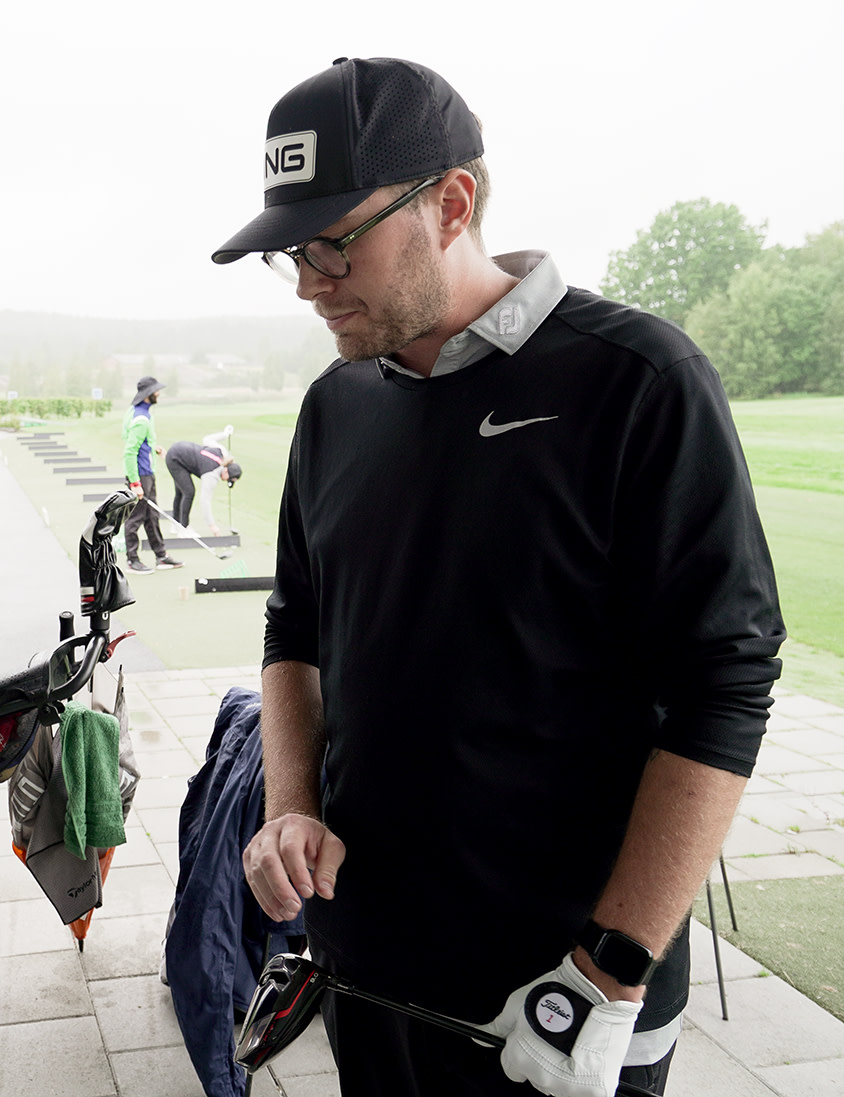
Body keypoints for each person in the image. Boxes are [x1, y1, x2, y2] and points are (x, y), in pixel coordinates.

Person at [218, 58, 785, 1097]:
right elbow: (294, 626)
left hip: (563, 995)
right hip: (369, 969)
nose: (309, 282)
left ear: (452, 203)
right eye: (295, 252)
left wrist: (610, 969)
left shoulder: (638, 381)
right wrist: (289, 801)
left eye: (335, 243)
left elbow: (726, 684)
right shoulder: (335, 405)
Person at [122, 374, 181, 573]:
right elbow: (130, 451)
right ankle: (132, 560)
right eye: (156, 391)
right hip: (140, 475)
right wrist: (135, 483)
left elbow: (137, 441)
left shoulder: (137, 412)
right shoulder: (141, 419)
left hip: (146, 473)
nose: (159, 394)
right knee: (135, 518)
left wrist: (152, 447)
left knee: (152, 516)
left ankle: (161, 556)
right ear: (148, 394)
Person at [165, 439, 242, 535]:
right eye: (228, 479)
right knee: (189, 492)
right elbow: (205, 501)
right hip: (175, 459)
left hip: (180, 450)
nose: (226, 481)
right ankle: (183, 529)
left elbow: (208, 438)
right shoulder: (211, 474)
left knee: (181, 491)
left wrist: (225, 434)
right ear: (226, 471)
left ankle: (176, 525)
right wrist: (212, 526)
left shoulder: (222, 453)